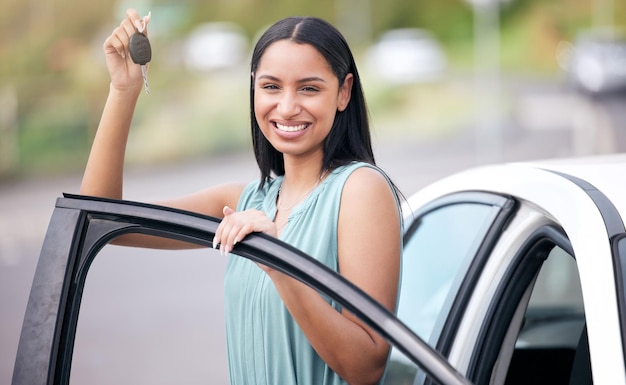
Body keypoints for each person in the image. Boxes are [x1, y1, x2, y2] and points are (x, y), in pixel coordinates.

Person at [80, 8, 403, 385]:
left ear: (343, 92)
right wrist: (123, 90)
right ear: (253, 88)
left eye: (309, 88)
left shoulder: (360, 190)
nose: (286, 106)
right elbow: (102, 221)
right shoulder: (247, 199)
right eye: (270, 87)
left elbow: (366, 368)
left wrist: (280, 264)